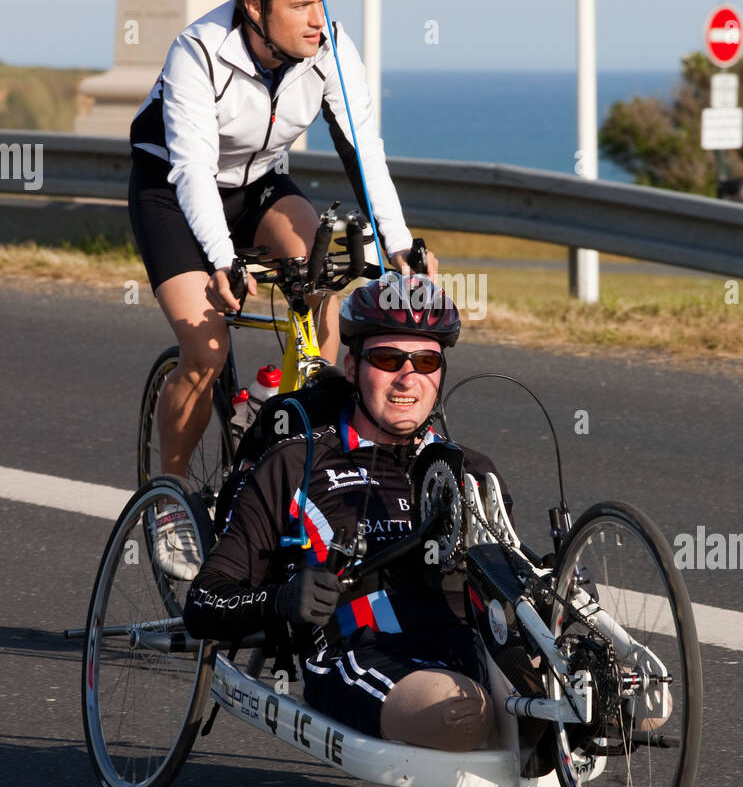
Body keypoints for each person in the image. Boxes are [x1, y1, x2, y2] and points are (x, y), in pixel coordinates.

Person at [127, 0, 437, 505]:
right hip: (173, 193)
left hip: (259, 187)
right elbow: (191, 170)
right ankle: (166, 495)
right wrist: (222, 262)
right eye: (300, 5)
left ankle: (293, 425)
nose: (318, 18)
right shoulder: (198, 52)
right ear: (253, 6)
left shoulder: (331, 50)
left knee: (326, 280)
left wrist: (399, 244)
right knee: (207, 352)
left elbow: (361, 147)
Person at [183, 275, 504, 753]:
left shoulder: (471, 469)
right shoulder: (295, 463)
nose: (408, 377)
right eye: (388, 359)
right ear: (352, 368)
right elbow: (204, 602)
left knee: (620, 700)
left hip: (469, 646)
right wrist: (282, 600)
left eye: (427, 361)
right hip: (361, 649)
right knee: (463, 717)